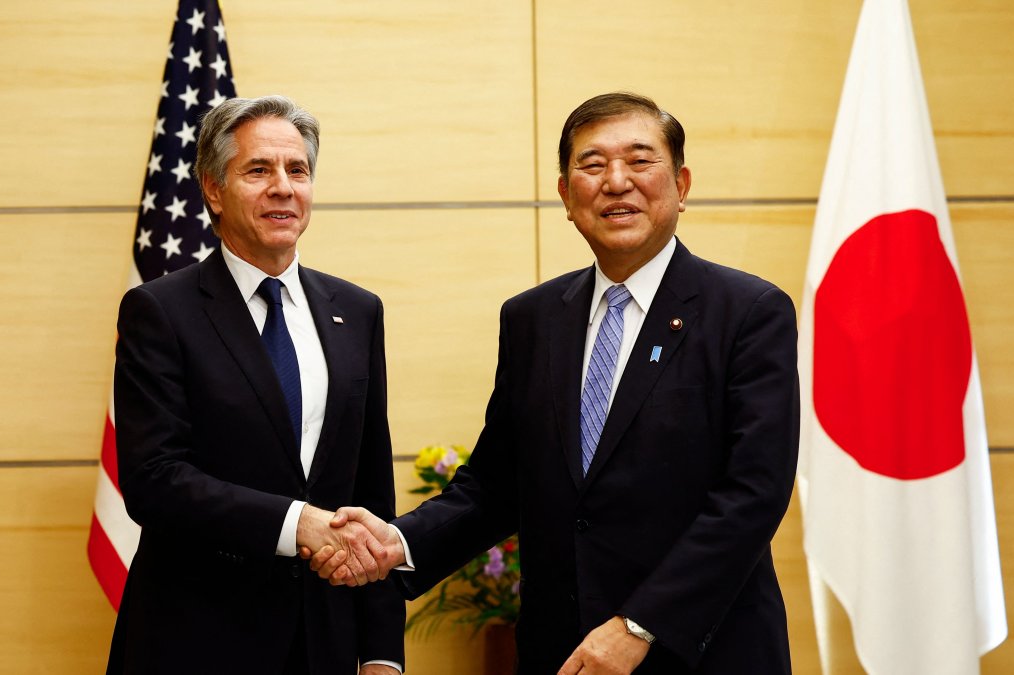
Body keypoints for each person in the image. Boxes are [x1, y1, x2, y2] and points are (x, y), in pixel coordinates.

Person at [309, 92, 799, 674]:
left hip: (705, 652)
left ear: (682, 184)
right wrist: (399, 543)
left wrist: (641, 625)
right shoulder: (533, 319)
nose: (616, 182)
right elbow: (494, 487)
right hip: (560, 654)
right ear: (566, 196)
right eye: (592, 165)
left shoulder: (748, 311)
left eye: (640, 161)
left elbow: (751, 496)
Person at [106, 95, 404, 675]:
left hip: (326, 642)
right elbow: (154, 481)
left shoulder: (357, 310)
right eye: (259, 170)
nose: (283, 188)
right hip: (196, 639)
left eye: (298, 170)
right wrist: (299, 524)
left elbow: (371, 491)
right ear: (213, 189)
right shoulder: (160, 311)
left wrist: (383, 653)